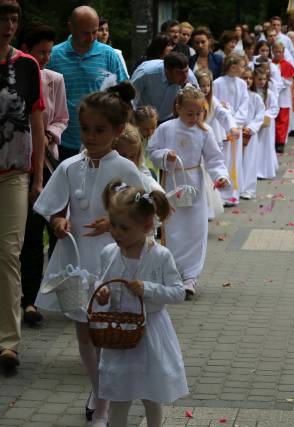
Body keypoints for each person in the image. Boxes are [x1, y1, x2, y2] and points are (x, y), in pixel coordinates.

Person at [33, 83, 144, 425]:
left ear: (115, 132)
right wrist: (58, 220)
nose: (91, 137)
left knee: (108, 333)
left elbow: (141, 218)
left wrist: (112, 224)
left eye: (100, 130)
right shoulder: (70, 167)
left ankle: (107, 399)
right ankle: (98, 389)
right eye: (86, 129)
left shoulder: (125, 169)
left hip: (112, 262)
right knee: (84, 332)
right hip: (77, 259)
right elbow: (53, 206)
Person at [97, 180, 188, 427]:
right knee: (119, 395)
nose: (115, 232)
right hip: (119, 335)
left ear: (147, 226)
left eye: (123, 228)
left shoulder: (160, 256)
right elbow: (99, 282)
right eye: (113, 225)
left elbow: (178, 293)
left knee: (151, 394)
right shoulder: (108, 253)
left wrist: (148, 289)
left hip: (151, 334)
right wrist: (102, 293)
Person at [147, 86, 230, 297]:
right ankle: (173, 272)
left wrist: (220, 176)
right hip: (172, 183)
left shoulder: (205, 131)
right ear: (178, 108)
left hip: (194, 183)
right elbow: (152, 151)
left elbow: (214, 157)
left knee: (195, 230)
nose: (194, 118)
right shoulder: (166, 128)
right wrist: (166, 156)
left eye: (198, 113)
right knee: (173, 228)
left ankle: (190, 276)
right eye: (189, 113)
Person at [0, 0, 46, 372]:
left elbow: (37, 123)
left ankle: (8, 342)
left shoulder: (27, 65)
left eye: (14, 19)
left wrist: (38, 175)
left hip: (14, 171)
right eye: (3, 19)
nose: (9, 25)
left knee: (8, 253)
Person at [18, 23, 69, 327]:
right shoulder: (13, 77)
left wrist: (50, 133)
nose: (46, 58)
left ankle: (31, 299)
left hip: (44, 165)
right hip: (13, 163)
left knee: (36, 233)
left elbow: (62, 118)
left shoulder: (54, 80)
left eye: (49, 52)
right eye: (40, 52)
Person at [47, 5, 127, 160]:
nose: (91, 38)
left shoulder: (108, 54)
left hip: (102, 142)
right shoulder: (54, 56)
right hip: (62, 141)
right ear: (71, 27)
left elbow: (123, 96)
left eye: (94, 32)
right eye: (85, 33)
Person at [212, 53, 249, 206]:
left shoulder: (242, 84)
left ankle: (233, 193)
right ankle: (221, 195)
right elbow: (215, 104)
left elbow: (244, 105)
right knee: (223, 160)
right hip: (222, 128)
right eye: (241, 66)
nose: (243, 69)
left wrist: (235, 122)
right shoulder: (218, 83)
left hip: (235, 127)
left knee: (235, 160)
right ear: (232, 66)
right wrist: (227, 120)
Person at [131, 52, 199, 123]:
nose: (185, 77)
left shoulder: (190, 76)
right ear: (167, 71)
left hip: (170, 119)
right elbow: (130, 98)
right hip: (144, 118)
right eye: (179, 73)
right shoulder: (146, 73)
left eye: (186, 71)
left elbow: (199, 101)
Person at [112, 124, 162, 193]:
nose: (128, 161)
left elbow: (150, 183)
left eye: (132, 156)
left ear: (138, 156)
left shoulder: (140, 172)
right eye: (123, 156)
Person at [240, 68, 266, 200]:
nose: (248, 81)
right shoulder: (237, 96)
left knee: (250, 161)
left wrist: (251, 127)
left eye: (250, 78)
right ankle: (236, 187)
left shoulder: (255, 97)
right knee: (237, 160)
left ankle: (248, 188)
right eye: (245, 78)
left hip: (250, 133)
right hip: (237, 132)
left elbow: (260, 116)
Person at [254, 68, 279, 179]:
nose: (262, 81)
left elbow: (274, 108)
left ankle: (266, 170)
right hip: (255, 123)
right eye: (259, 79)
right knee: (255, 146)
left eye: (264, 79)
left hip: (266, 125)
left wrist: (265, 115)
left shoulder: (270, 94)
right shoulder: (252, 93)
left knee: (266, 146)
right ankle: (255, 170)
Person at [272, 42, 294, 153]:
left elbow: (288, 81)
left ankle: (280, 142)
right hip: (272, 96)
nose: (278, 54)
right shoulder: (269, 64)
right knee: (273, 119)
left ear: (283, 52)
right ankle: (273, 141)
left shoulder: (287, 65)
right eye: (276, 51)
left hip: (283, 97)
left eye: (280, 51)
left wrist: (276, 85)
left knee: (282, 120)